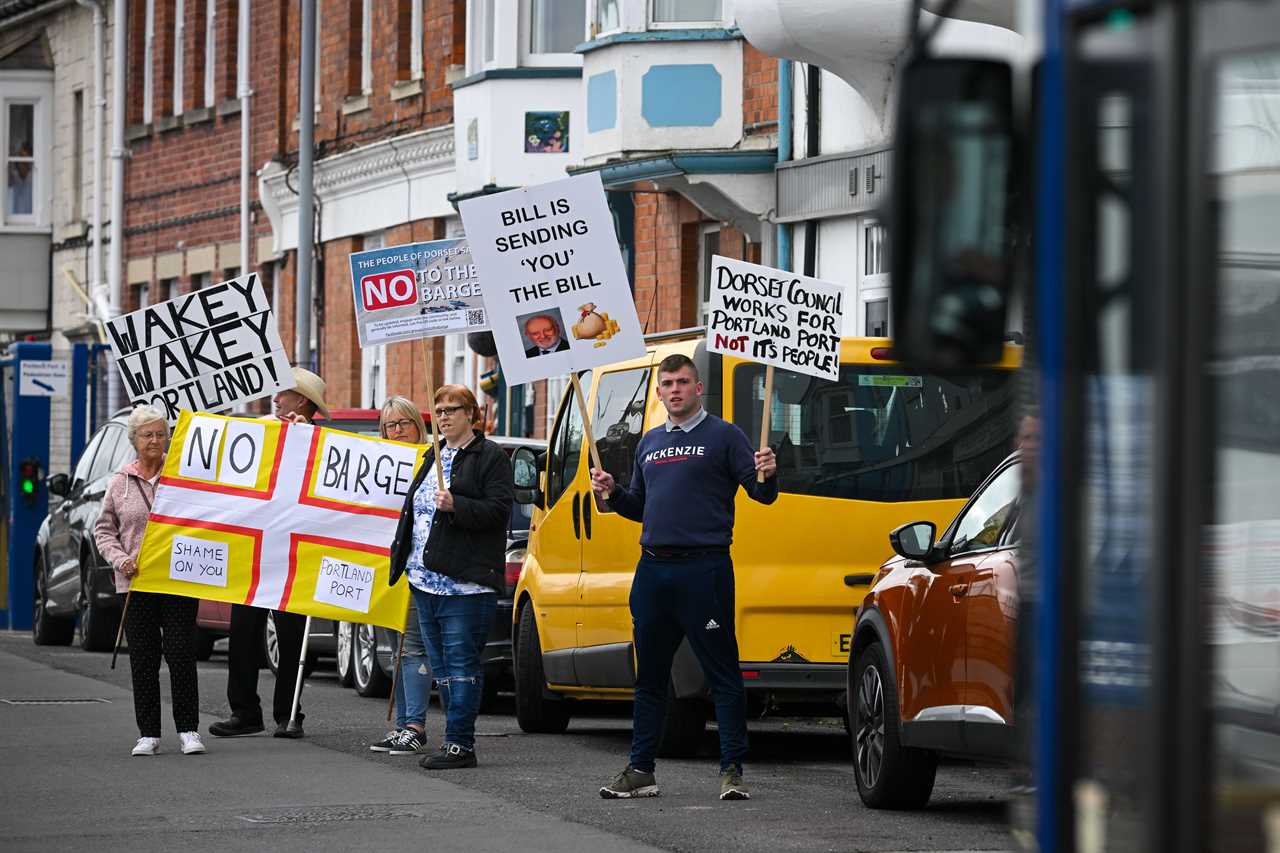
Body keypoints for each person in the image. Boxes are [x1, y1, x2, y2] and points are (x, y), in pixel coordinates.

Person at [590, 354, 778, 801]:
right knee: (650, 677)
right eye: (667, 383)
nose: (675, 390)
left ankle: (732, 770)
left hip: (705, 569)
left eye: (683, 382)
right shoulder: (649, 442)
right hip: (653, 570)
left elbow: (761, 493)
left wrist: (769, 473)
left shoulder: (725, 436)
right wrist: (614, 493)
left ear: (697, 389)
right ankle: (641, 771)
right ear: (658, 393)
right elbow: (641, 506)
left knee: (723, 674)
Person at [388, 384, 513, 769]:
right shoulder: (434, 455)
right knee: (441, 667)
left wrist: (458, 505)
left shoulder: (489, 456)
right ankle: (453, 739)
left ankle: (460, 744)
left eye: (452, 409)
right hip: (425, 582)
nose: (443, 416)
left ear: (471, 414)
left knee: (461, 666)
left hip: (465, 584)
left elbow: (499, 510)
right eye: (439, 410)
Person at [209, 367, 329, 740]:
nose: (276, 399)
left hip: (295, 554)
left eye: (284, 394)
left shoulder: (319, 440)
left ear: (303, 402)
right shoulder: (264, 431)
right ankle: (244, 712)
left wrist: (302, 435)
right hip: (257, 549)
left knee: (292, 636)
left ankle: (288, 713)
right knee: (243, 631)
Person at [94, 405, 206, 757]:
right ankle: (149, 734)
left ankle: (188, 730)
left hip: (177, 581)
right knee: (143, 658)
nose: (155, 440)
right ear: (135, 440)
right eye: (148, 435)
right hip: (136, 584)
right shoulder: (119, 483)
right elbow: (103, 531)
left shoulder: (182, 477)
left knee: (180, 653)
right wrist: (120, 559)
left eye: (160, 433)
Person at [369, 396, 433, 756]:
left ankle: (415, 725)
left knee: (412, 647)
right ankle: (401, 725)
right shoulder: (377, 458)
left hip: (418, 566)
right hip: (384, 567)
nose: (397, 431)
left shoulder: (429, 459)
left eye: (403, 423)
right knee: (394, 648)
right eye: (390, 426)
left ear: (416, 424)